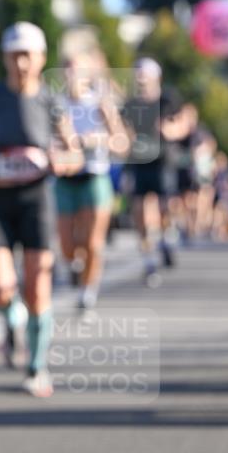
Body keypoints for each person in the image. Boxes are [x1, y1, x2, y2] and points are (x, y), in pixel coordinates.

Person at [0, 22, 83, 398]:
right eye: (15, 55)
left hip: (36, 199)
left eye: (28, 55)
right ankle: (12, 318)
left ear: (41, 58)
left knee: (37, 284)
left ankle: (36, 366)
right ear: (5, 58)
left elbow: (75, 151)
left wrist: (64, 161)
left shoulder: (50, 101)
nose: (22, 63)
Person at [54, 52, 129, 311]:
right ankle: (73, 265)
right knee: (66, 245)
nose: (71, 74)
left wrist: (95, 139)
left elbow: (122, 142)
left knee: (92, 243)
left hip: (95, 175)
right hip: (65, 178)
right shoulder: (56, 103)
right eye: (67, 69)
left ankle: (88, 292)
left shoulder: (99, 103)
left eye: (76, 69)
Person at [122, 59, 190, 285]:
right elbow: (123, 131)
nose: (141, 80)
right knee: (140, 212)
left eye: (145, 76)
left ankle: (167, 238)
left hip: (163, 162)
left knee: (164, 208)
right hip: (139, 163)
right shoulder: (130, 104)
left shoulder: (167, 99)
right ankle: (148, 260)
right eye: (138, 76)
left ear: (155, 78)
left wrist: (169, 130)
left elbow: (183, 123)